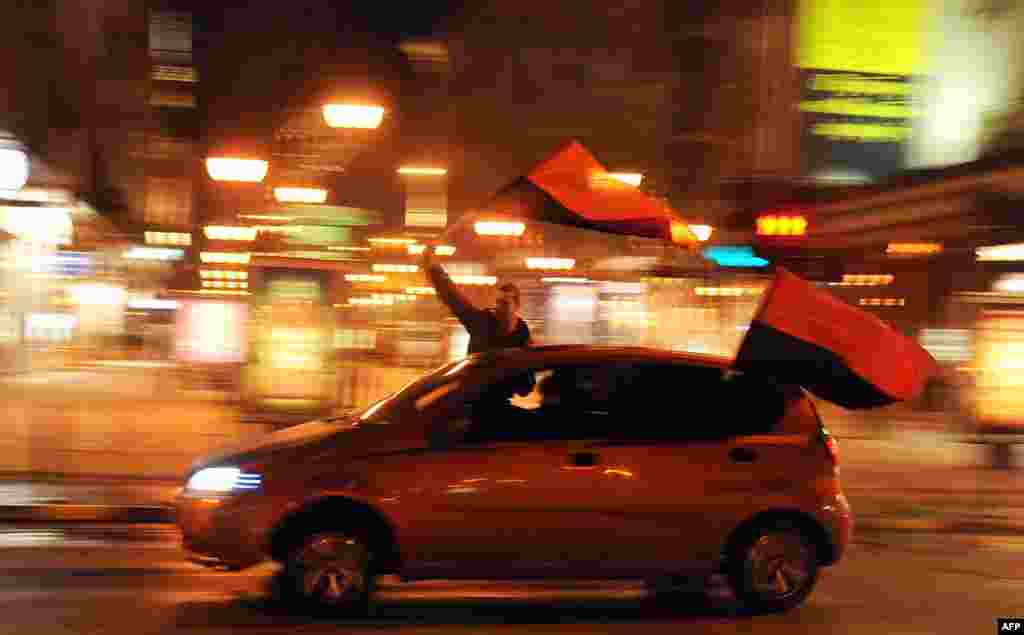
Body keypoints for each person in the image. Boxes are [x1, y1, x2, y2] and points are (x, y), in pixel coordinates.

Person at [421, 240, 532, 355]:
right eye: (497, 302)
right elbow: (454, 298)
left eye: (504, 303)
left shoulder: (523, 333)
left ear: (517, 306)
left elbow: (527, 365)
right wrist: (433, 268)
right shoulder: (482, 323)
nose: (498, 307)